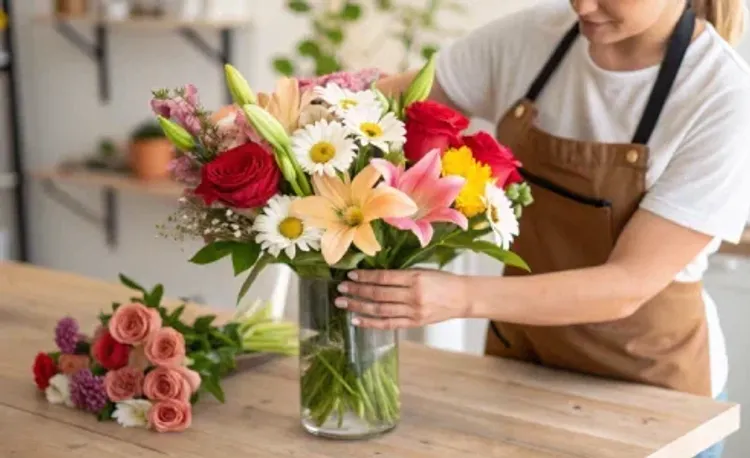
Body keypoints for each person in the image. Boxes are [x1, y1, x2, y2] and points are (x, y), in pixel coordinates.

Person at [335, 1, 750, 456]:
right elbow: (383, 108)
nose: (582, 5)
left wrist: (457, 296)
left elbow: (627, 284)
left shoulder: (721, 95)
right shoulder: (535, 37)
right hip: (525, 371)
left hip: (649, 395)